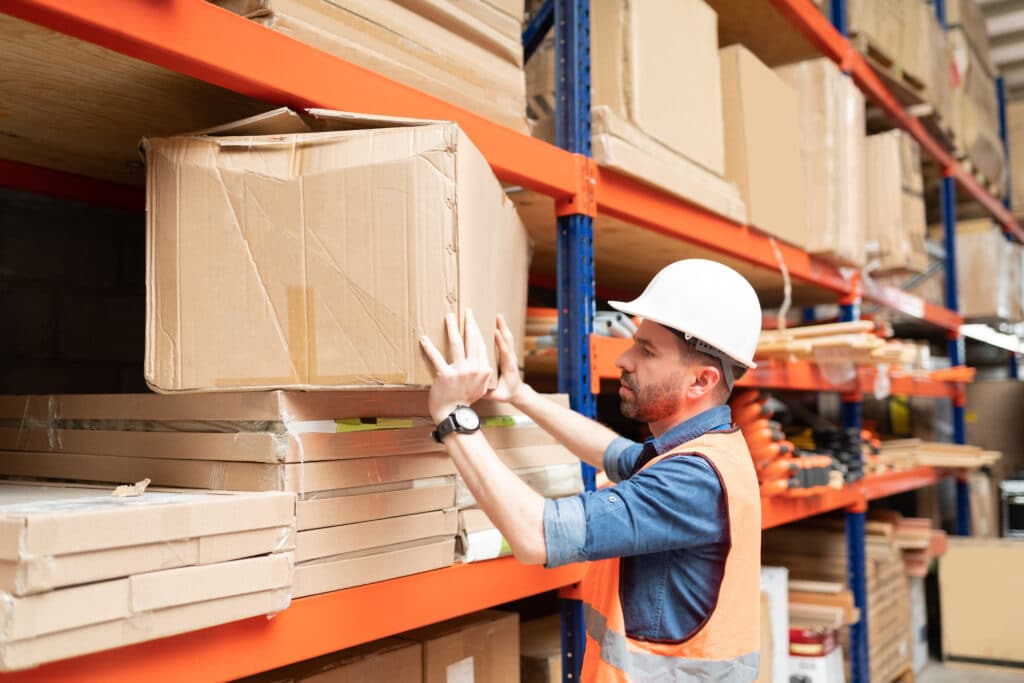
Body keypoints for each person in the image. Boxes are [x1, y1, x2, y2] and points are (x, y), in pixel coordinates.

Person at [419, 259, 763, 682]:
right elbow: (613, 453)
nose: (624, 358)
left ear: (701, 381)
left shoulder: (693, 481)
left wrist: (452, 415)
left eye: (647, 351)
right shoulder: (707, 451)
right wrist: (522, 396)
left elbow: (536, 535)